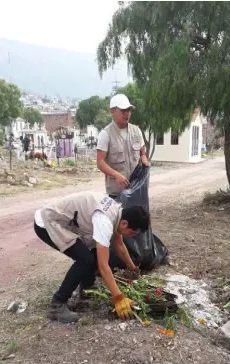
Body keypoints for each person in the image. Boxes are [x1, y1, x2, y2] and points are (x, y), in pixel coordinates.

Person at [34, 191, 150, 323]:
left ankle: (87, 289)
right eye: (132, 232)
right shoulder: (105, 221)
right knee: (85, 259)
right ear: (124, 223)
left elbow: (119, 244)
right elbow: (103, 266)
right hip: (48, 221)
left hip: (66, 220)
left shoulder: (118, 212)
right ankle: (57, 305)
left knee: (94, 254)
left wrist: (133, 268)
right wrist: (118, 297)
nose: (131, 236)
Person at [97, 94, 150, 199]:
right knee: (119, 216)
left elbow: (142, 154)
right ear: (112, 111)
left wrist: (144, 161)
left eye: (128, 110)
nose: (127, 114)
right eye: (123, 110)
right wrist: (116, 175)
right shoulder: (106, 134)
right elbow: (100, 162)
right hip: (117, 193)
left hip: (136, 190)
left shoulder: (136, 131)